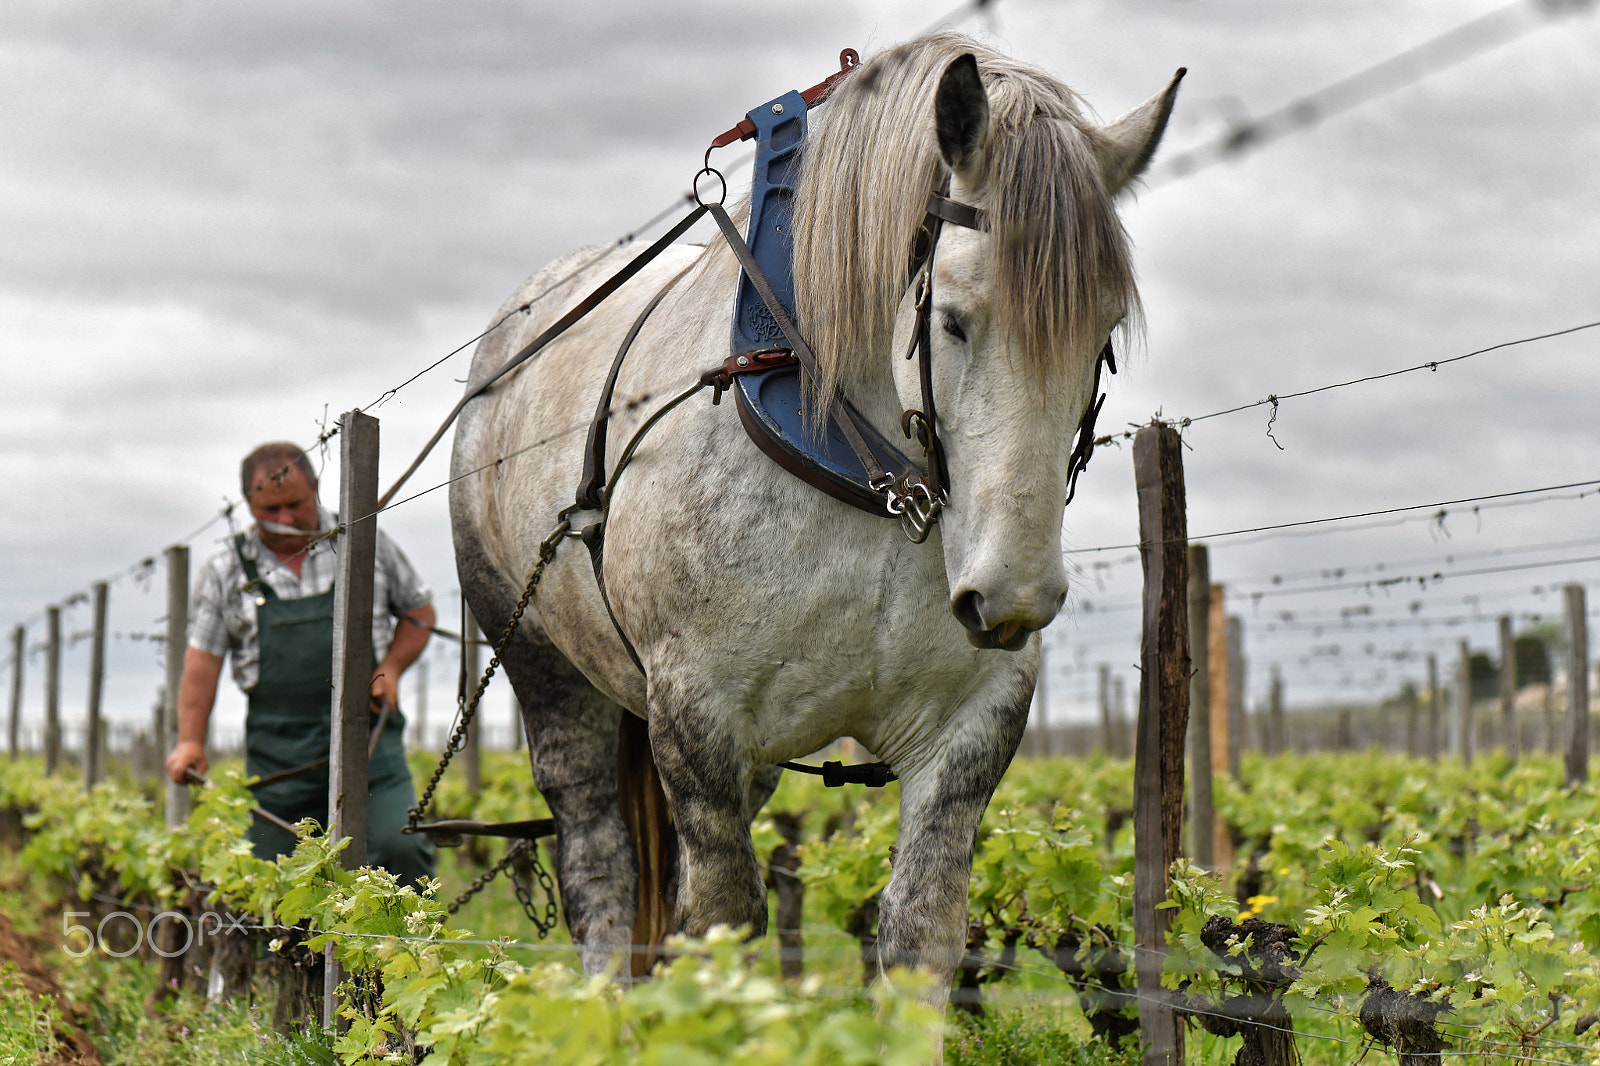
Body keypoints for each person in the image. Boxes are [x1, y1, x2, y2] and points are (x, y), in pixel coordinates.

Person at [165, 442, 437, 886]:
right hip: (280, 758)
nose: (286, 519)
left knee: (397, 850)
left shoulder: (363, 541)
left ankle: (406, 953)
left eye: (295, 504)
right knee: (277, 883)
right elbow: (203, 660)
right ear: (248, 504)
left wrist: (391, 668)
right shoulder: (225, 569)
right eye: (271, 509)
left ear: (315, 487)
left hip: (370, 748)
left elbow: (419, 613)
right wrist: (189, 741)